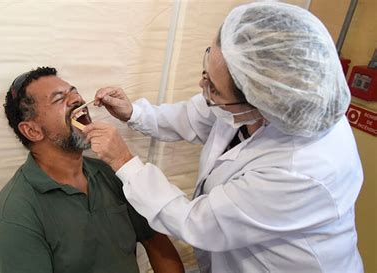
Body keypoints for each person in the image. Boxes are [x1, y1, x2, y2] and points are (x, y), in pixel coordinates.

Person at [83, 2, 364, 273]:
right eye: (207, 66)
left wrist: (123, 161)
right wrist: (134, 113)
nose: (201, 85)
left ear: (261, 104)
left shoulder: (302, 169)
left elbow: (198, 223)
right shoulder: (258, 97)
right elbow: (195, 116)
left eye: (214, 89)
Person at [0, 66, 184, 273]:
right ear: (32, 130)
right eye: (59, 98)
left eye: (74, 91)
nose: (77, 99)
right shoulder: (13, 219)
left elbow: (159, 247)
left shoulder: (110, 174)